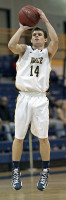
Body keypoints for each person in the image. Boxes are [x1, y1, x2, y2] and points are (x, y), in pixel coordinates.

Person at [8, 8, 58, 191]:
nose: (37, 36)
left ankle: (45, 171)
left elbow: (56, 40)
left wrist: (45, 20)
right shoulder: (24, 50)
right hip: (24, 97)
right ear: (31, 38)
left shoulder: (48, 53)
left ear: (44, 40)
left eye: (40, 35)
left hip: (40, 99)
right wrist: (22, 28)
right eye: (34, 34)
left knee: (43, 138)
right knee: (18, 137)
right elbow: (11, 46)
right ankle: (16, 171)